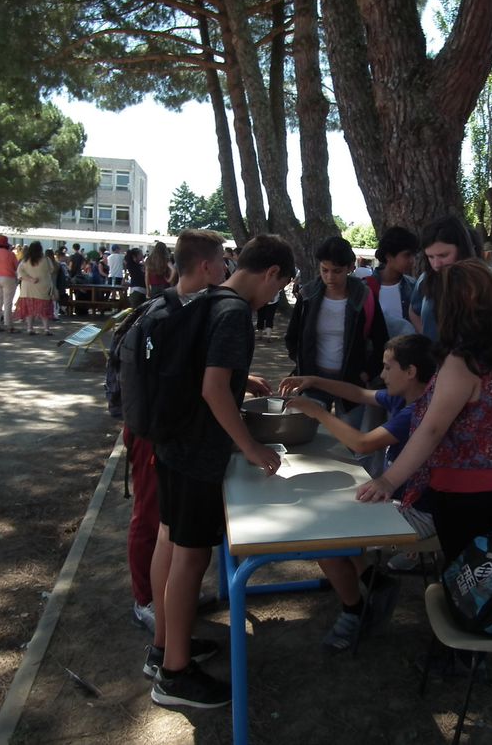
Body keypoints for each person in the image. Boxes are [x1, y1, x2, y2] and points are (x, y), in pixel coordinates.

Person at [148, 234, 295, 709]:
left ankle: (164, 650)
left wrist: (240, 379)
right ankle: (174, 677)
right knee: (191, 559)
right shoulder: (236, 314)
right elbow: (213, 390)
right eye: (279, 288)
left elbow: (203, 372)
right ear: (271, 273)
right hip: (197, 452)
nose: (274, 297)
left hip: (171, 441)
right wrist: (250, 446)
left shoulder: (207, 297)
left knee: (168, 543)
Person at [354, 260, 492, 565]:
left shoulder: (463, 360)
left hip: (466, 491)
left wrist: (388, 481)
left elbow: (432, 429)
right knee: (489, 572)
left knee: (467, 575)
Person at [279, 334, 437, 649]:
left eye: (388, 367)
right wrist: (315, 380)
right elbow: (359, 393)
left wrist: (318, 413)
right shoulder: (402, 397)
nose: (382, 374)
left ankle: (354, 611)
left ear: (411, 372)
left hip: (419, 510)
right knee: (331, 516)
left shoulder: (417, 411)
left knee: (324, 535)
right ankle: (373, 580)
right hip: (401, 499)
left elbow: (362, 443)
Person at [127, 230, 232, 634]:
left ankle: (168, 600)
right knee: (151, 519)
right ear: (205, 266)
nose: (225, 268)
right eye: (222, 261)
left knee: (166, 527)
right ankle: (146, 602)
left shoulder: (189, 305)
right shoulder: (166, 309)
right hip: (152, 433)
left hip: (164, 429)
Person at [285, 236, 388, 420]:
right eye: (324, 270)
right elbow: (293, 337)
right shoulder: (307, 295)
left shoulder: (364, 297)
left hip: (351, 382)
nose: (330, 277)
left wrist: (367, 373)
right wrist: (301, 363)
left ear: (350, 267)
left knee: (351, 439)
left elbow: (381, 340)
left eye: (337, 271)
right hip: (313, 379)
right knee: (308, 436)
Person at [409, 215, 492, 342]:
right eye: (430, 257)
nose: (436, 264)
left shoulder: (486, 279)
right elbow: (414, 312)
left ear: (462, 249)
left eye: (443, 255)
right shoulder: (425, 279)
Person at [366, 226, 418, 337]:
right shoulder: (365, 288)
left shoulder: (414, 287)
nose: (412, 261)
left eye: (414, 255)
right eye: (407, 255)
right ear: (389, 256)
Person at [13, 241, 55, 335]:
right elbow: (51, 270)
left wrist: (30, 279)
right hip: (43, 287)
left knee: (29, 310)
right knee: (44, 310)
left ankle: (30, 328)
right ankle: (46, 329)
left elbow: (19, 273)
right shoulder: (46, 259)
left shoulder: (25, 260)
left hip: (27, 288)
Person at [0, 235, 19, 333]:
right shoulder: (11, 254)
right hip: (8, 277)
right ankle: (9, 325)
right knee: (8, 302)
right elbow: (16, 267)